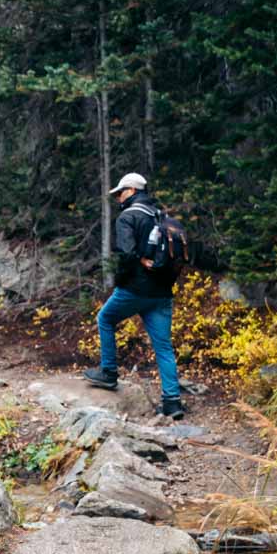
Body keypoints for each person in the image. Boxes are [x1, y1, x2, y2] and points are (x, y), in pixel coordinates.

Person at [84, 171, 184, 419]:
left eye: (120, 193)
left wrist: (121, 281)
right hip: (162, 291)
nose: (118, 198)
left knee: (105, 319)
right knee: (163, 347)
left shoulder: (128, 217)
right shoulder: (160, 215)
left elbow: (127, 255)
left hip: (136, 288)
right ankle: (172, 402)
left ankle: (108, 373)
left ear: (131, 191)